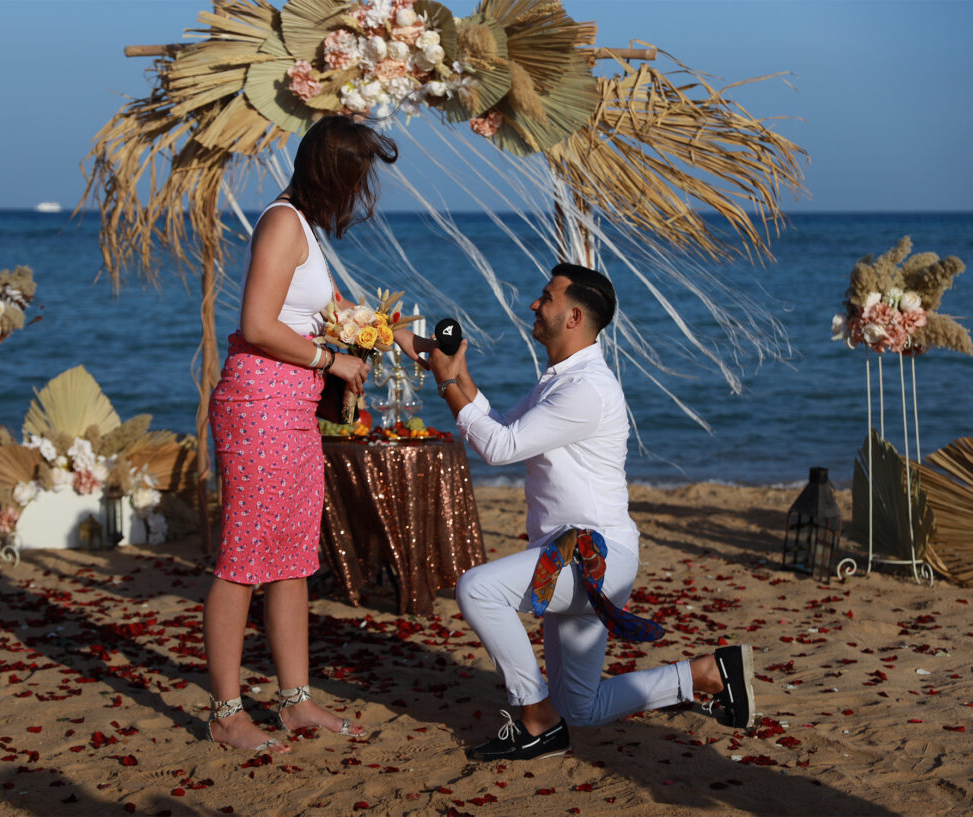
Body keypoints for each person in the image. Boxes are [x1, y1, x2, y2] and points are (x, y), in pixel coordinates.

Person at [429, 262, 755, 762]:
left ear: (574, 315)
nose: (535, 305)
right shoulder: (561, 381)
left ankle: (537, 722)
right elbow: (495, 424)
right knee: (579, 707)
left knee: (478, 589)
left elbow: (497, 447)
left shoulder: (587, 389)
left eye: (546, 297)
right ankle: (705, 674)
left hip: (592, 558)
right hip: (572, 558)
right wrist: (453, 372)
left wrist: (447, 383)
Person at [205, 115, 434, 753]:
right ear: (335, 174)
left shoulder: (300, 226)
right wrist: (331, 362)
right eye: (359, 178)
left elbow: (330, 318)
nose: (362, 194)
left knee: (290, 554)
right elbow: (256, 323)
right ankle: (226, 713)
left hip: (290, 407)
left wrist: (399, 340)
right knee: (244, 557)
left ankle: (295, 701)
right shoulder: (282, 223)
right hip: (259, 403)